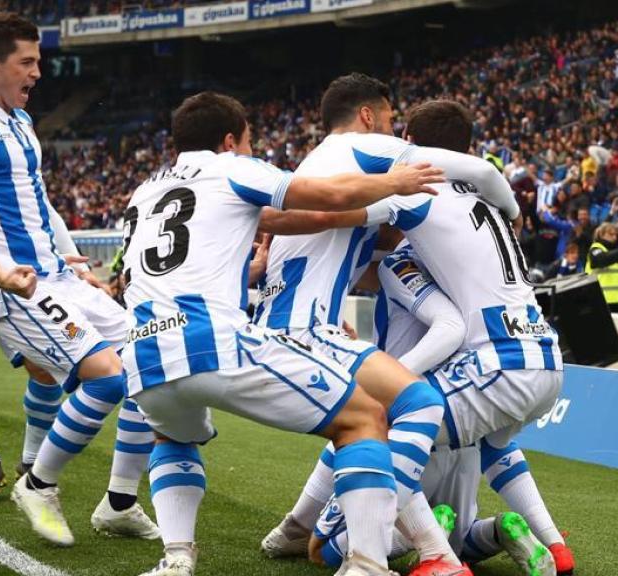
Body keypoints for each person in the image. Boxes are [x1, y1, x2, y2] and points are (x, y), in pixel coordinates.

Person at [121, 90, 445, 576]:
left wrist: (245, 272)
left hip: (143, 353)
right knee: (363, 416)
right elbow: (325, 202)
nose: (251, 151)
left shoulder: (144, 192)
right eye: (249, 141)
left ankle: (177, 559)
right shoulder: (232, 167)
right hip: (211, 340)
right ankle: (367, 564)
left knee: (173, 436)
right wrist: (395, 182)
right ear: (230, 140)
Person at [256, 75, 522, 576]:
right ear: (367, 116)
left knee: (361, 420)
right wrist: (511, 212)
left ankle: (298, 530)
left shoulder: (315, 162)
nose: (401, 134)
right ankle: (401, 555)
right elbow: (482, 172)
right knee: (409, 406)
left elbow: (337, 230)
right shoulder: (374, 147)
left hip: (284, 325)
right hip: (305, 331)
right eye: (391, 119)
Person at [304, 100, 566, 576]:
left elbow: (341, 216)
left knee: (373, 426)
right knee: (487, 445)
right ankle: (545, 543)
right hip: (545, 354)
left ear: (410, 142)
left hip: (492, 359)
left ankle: (429, 553)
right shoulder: (484, 204)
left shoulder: (418, 193)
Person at [0, 13, 157, 546]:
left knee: (155, 361)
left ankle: (119, 503)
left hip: (60, 277)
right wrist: (0, 272)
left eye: (38, 60)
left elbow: (40, 205)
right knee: (105, 376)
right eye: (27, 62)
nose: (38, 72)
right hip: (19, 289)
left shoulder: (21, 122)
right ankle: (38, 484)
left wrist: (77, 261)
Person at [585, 222, 618, 312]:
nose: (614, 237)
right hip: (602, 300)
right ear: (601, 234)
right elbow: (601, 260)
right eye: (611, 234)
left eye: (616, 235)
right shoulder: (596, 249)